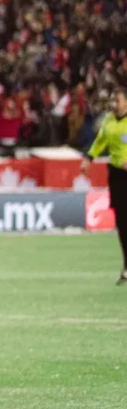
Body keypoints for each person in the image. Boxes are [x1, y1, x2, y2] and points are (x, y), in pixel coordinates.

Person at [81, 86, 127, 285]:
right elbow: (101, 140)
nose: (114, 105)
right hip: (117, 174)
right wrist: (88, 158)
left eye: (117, 100)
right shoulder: (109, 120)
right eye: (112, 101)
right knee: (122, 222)